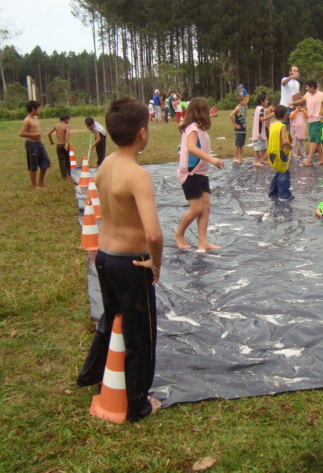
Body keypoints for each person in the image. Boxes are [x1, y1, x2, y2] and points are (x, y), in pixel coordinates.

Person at [76, 97, 163, 422]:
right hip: (131, 263)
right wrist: (155, 263)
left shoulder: (106, 165)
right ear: (142, 133)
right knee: (140, 333)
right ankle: (138, 403)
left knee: (111, 319)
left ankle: (91, 373)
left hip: (105, 257)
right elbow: (153, 234)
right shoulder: (137, 175)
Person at [174, 97, 224, 252]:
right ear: (201, 111)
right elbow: (190, 147)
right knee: (196, 208)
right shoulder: (193, 128)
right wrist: (211, 159)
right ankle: (179, 235)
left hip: (201, 173)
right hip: (190, 175)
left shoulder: (200, 129)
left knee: (206, 206)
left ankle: (203, 242)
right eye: (206, 110)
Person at [291, 79, 323, 166]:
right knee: (317, 141)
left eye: (307, 87)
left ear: (312, 87)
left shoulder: (321, 95)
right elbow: (302, 100)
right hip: (311, 119)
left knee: (313, 140)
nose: (306, 89)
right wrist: (292, 103)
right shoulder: (308, 94)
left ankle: (308, 160)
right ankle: (322, 160)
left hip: (318, 120)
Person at [19, 100, 51, 189]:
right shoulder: (27, 120)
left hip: (39, 143)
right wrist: (34, 135)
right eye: (38, 108)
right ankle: (34, 185)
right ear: (33, 109)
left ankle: (41, 181)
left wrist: (40, 140)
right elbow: (21, 133)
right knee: (33, 165)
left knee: (45, 162)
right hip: (31, 145)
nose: (39, 110)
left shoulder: (36, 118)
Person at [267, 105, 294, 200]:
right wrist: (290, 146)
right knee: (284, 174)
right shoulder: (282, 126)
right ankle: (284, 195)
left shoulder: (272, 125)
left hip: (272, 153)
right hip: (280, 153)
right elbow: (284, 141)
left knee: (278, 172)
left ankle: (273, 192)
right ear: (284, 115)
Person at [252, 93, 274, 166]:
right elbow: (261, 119)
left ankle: (261, 160)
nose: (267, 102)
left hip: (262, 131)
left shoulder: (259, 109)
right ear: (262, 102)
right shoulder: (260, 109)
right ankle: (255, 161)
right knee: (257, 147)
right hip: (259, 131)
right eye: (266, 100)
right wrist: (270, 116)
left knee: (264, 146)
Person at [47, 113, 71, 180]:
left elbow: (49, 134)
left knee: (61, 161)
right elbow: (67, 134)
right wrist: (66, 142)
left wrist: (51, 141)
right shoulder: (66, 126)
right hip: (64, 144)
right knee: (67, 159)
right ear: (66, 119)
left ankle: (64, 176)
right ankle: (68, 173)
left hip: (58, 145)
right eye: (68, 119)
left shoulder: (56, 126)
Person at [279, 65, 301, 130]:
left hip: (293, 107)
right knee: (284, 126)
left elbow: (296, 95)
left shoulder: (297, 83)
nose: (296, 72)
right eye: (294, 71)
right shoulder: (285, 79)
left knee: (292, 128)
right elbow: (283, 83)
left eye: (297, 71)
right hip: (285, 106)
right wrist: (291, 77)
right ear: (290, 72)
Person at [229, 95, 249, 163]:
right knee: (237, 144)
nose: (246, 101)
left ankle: (240, 156)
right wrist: (235, 124)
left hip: (243, 127)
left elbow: (246, 115)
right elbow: (231, 115)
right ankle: (235, 157)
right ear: (240, 101)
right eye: (244, 100)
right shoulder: (238, 108)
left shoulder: (243, 107)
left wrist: (245, 107)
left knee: (242, 143)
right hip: (239, 129)